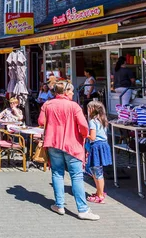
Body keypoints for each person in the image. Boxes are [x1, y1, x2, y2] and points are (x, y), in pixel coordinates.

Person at [38, 82, 99, 221]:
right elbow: (84, 126)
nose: (72, 93)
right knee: (76, 176)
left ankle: (59, 205)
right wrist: (84, 135)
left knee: (57, 173)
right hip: (72, 144)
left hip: (53, 142)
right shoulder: (74, 106)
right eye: (71, 91)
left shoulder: (48, 104)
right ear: (65, 92)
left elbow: (41, 121)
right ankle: (82, 210)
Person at [86, 100, 112, 204]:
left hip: (96, 146)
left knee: (97, 171)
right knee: (97, 170)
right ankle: (98, 192)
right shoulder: (103, 120)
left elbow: (92, 137)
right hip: (103, 145)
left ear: (93, 110)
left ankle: (100, 195)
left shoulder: (92, 121)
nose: (87, 111)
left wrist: (83, 134)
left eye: (89, 108)